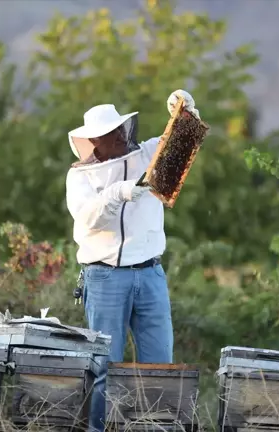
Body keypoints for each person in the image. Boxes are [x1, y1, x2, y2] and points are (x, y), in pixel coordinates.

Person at [65, 89, 201, 432]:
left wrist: (185, 110)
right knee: (104, 372)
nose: (119, 137)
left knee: (160, 368)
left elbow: (185, 141)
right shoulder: (80, 177)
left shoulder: (148, 153)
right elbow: (87, 220)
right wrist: (119, 192)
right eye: (110, 134)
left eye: (121, 130)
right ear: (95, 141)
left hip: (151, 273)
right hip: (104, 277)